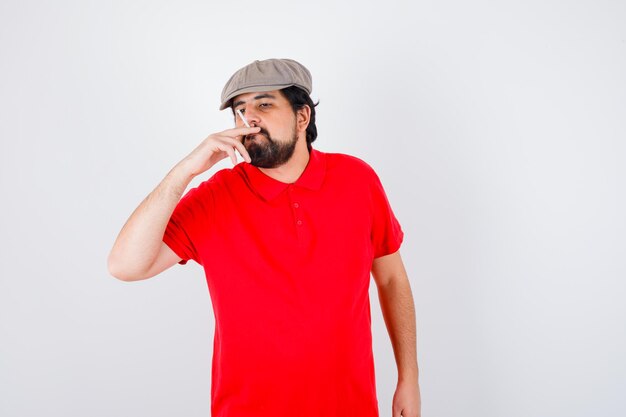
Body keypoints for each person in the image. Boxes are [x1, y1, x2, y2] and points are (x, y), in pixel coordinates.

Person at [108, 58, 421, 417]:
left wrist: (408, 378)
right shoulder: (215, 196)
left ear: (302, 117)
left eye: (264, 104)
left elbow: (392, 278)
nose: (248, 118)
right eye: (240, 110)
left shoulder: (357, 180)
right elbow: (124, 266)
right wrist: (187, 169)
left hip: (350, 407)